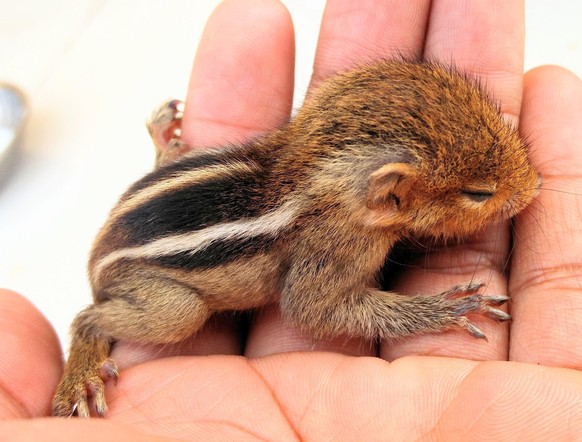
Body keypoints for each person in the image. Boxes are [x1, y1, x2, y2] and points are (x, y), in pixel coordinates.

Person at [1, 0, 581, 438]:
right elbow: (317, 307)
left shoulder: (337, 186)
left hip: (170, 211)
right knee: (177, 316)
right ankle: (94, 329)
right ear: (392, 197)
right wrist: (437, 310)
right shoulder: (338, 234)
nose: (520, 192)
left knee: (220, 163)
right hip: (154, 274)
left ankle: (168, 165)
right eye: (481, 193)